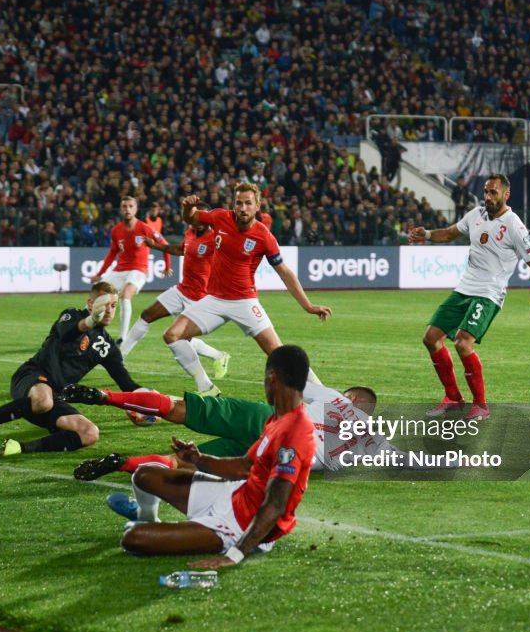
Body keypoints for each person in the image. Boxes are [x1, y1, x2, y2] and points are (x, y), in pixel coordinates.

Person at [111, 345, 317, 567]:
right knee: (144, 475)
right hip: (234, 494)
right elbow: (243, 466)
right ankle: (151, 519)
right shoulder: (278, 418)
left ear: (272, 376)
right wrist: (198, 459)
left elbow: (276, 504)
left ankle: (195, 532)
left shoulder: (295, 432)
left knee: (134, 538)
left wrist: (236, 554)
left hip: (241, 524)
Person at [162, 183, 332, 395]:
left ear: (257, 205)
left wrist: (308, 306)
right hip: (213, 300)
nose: (242, 208)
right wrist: (188, 207)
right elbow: (192, 218)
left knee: (279, 354)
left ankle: (326, 398)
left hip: (244, 302)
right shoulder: (220, 217)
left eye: (248, 203)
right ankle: (206, 387)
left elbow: (285, 273)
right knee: (172, 335)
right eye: (239, 203)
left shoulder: (264, 236)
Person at [408, 174, 530, 421]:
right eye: (486, 191)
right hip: (464, 289)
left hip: (489, 294)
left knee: (463, 344)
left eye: (493, 192)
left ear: (506, 195)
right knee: (430, 338)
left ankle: (481, 405)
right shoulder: (476, 215)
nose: (488, 197)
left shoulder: (514, 225)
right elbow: (451, 233)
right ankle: (453, 398)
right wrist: (427, 234)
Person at [0, 282, 147, 457]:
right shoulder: (71, 315)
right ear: (90, 304)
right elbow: (68, 332)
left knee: (89, 433)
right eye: (105, 305)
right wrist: (90, 321)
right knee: (43, 400)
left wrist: (150, 399)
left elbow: (126, 384)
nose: (110, 311)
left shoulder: (107, 347)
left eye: (114, 306)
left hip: (55, 397)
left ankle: (18, 448)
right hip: (31, 378)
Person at [65, 380, 385, 485]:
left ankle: (107, 397)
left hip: (264, 419)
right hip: (276, 455)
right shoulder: (368, 439)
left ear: (353, 398)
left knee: (178, 408)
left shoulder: (335, 397)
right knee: (187, 464)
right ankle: (123, 463)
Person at [118, 216, 230, 380]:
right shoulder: (190, 233)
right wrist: (156, 246)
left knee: (182, 339)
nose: (196, 222)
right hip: (181, 290)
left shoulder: (215, 240)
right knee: (146, 315)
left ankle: (218, 358)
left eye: (200, 219)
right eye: (194, 218)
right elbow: (180, 250)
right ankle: (120, 357)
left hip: (199, 298)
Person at [91, 197, 172, 339]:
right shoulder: (116, 230)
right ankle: (89, 330)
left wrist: (167, 266)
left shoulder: (145, 228)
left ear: (135, 209)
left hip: (139, 269)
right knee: (98, 293)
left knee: (126, 294)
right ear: (121, 209)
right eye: (124, 206)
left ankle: (122, 338)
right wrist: (100, 273)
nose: (127, 209)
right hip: (120, 270)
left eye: (130, 206)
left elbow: (165, 245)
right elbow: (112, 253)